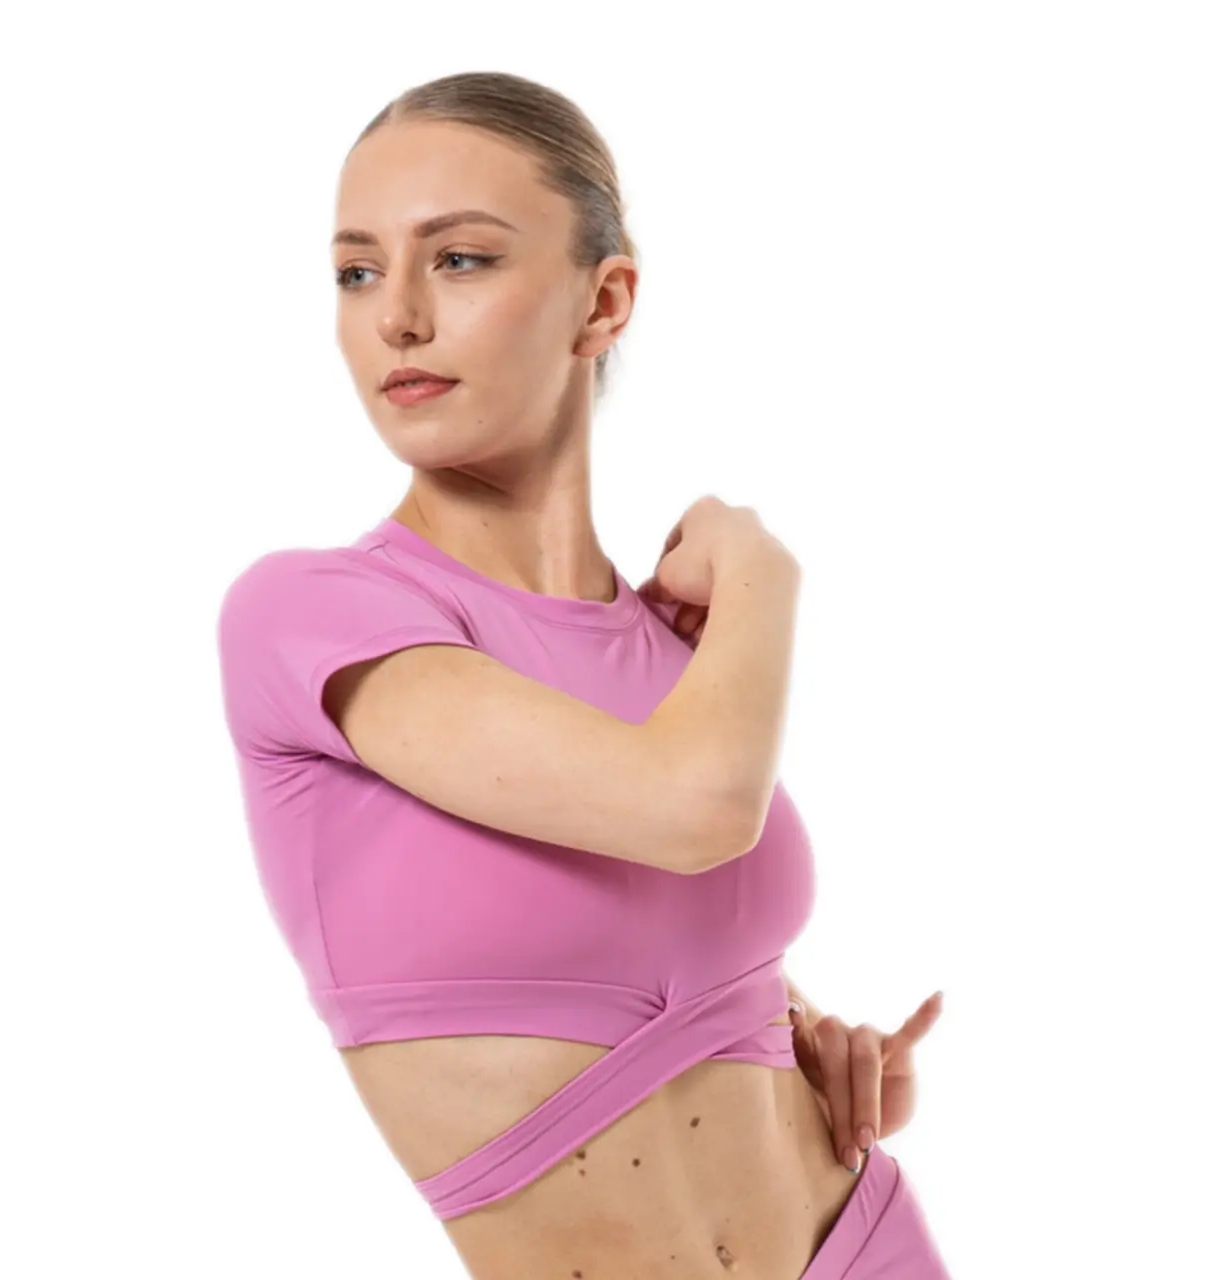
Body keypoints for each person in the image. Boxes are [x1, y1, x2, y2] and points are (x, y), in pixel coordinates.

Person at [216, 70, 951, 1280]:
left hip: (863, 1248)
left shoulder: (673, 657)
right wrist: (760, 568)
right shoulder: (310, 615)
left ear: (601, 301)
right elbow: (693, 809)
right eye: (356, 271)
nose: (397, 316)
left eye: (458, 259)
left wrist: (804, 1043)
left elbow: (654, 958)